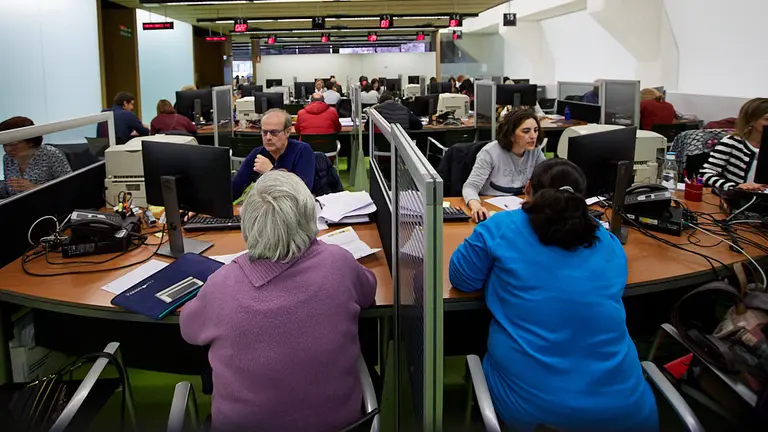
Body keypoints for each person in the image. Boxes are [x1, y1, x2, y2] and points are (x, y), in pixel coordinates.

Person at [450, 158, 658, 432]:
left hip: (539, 419)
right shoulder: (608, 241)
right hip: (631, 417)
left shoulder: (500, 227)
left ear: (528, 189)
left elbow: (463, 279)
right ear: (582, 199)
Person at [181, 170, 376, 432]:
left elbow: (189, 330)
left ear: (248, 225)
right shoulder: (339, 263)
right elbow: (369, 290)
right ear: (309, 218)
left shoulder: (221, 284)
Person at [463, 109, 546, 222]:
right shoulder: (490, 152)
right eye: (526, 131)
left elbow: (546, 182)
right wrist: (476, 206)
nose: (533, 136)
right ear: (511, 134)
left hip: (518, 208)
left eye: (536, 130)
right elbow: (470, 186)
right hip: (490, 209)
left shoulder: (535, 152)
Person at [231, 109, 315, 200]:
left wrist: (270, 172)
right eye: (264, 132)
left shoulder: (302, 151)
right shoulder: (258, 154)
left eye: (274, 133)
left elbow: (302, 195)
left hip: (293, 211)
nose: (268, 137)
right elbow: (235, 189)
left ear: (287, 132)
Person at [701, 97, 768, 191]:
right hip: (738, 199)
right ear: (751, 120)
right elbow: (705, 175)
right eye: (767, 119)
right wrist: (734, 187)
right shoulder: (732, 142)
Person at [0, 116, 72, 199]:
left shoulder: (51, 154)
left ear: (30, 142)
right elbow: (8, 190)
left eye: (14, 144)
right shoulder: (8, 159)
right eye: (4, 145)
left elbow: (69, 189)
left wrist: (35, 188)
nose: (8, 149)